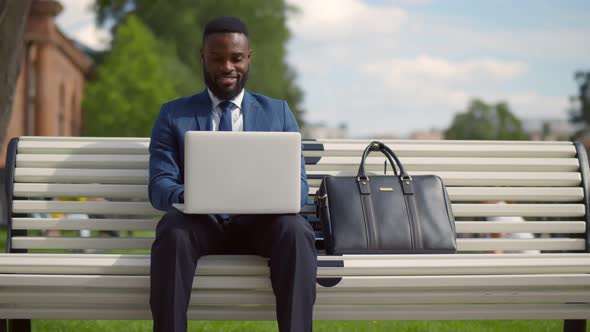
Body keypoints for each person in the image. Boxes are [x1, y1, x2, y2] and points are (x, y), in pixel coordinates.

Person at [148, 16, 317, 332]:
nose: (227, 66)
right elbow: (159, 185)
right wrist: (190, 194)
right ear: (203, 57)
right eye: (217, 58)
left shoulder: (278, 112)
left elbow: (300, 187)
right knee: (172, 228)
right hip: (201, 225)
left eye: (236, 58)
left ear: (249, 57)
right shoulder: (173, 115)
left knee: (296, 230)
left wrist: (279, 195)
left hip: (260, 225)